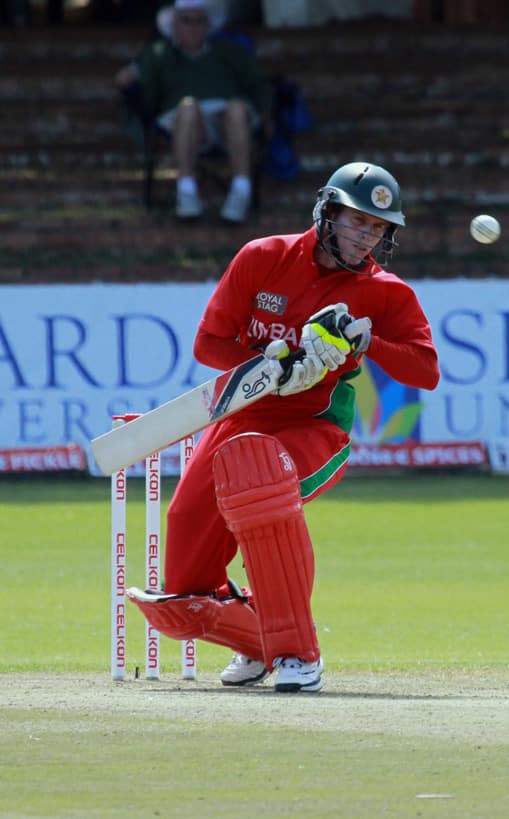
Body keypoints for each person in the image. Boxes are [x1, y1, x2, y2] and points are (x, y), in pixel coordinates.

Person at [128, 161, 440, 693]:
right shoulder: (264, 257)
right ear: (327, 213)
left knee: (261, 484)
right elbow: (209, 345)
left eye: (377, 228)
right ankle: (258, 643)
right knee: (183, 588)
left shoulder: (385, 292)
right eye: (356, 221)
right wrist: (272, 365)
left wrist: (367, 343)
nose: (366, 237)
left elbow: (425, 371)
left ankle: (298, 654)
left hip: (315, 424)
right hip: (240, 415)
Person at [115, 0, 273, 222]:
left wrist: (266, 113)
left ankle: (241, 191)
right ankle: (187, 193)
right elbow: (137, 86)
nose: (193, 26)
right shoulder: (158, 54)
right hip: (180, 120)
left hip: (226, 119)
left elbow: (260, 83)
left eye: (199, 21)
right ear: (174, 24)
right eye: (186, 20)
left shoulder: (229, 51)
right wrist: (130, 80)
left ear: (208, 25)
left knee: (237, 108)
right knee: (188, 108)